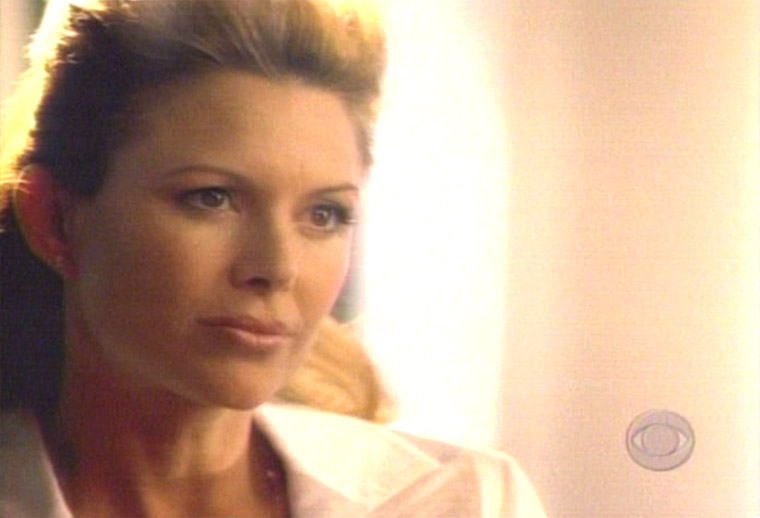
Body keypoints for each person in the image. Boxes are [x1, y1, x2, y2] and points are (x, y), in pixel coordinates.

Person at [0, 0, 546, 516]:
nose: (278, 268)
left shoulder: (464, 500)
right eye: (212, 198)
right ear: (56, 220)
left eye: (324, 214)